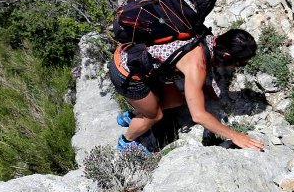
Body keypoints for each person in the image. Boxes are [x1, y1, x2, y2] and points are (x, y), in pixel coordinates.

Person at [109, 28, 264, 153]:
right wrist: (235, 136)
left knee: (176, 100)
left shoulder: (203, 35)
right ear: (226, 55)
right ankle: (126, 142)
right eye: (239, 64)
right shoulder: (197, 65)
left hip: (135, 56)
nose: (236, 67)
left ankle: (132, 116)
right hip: (125, 71)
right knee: (155, 115)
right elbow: (198, 116)